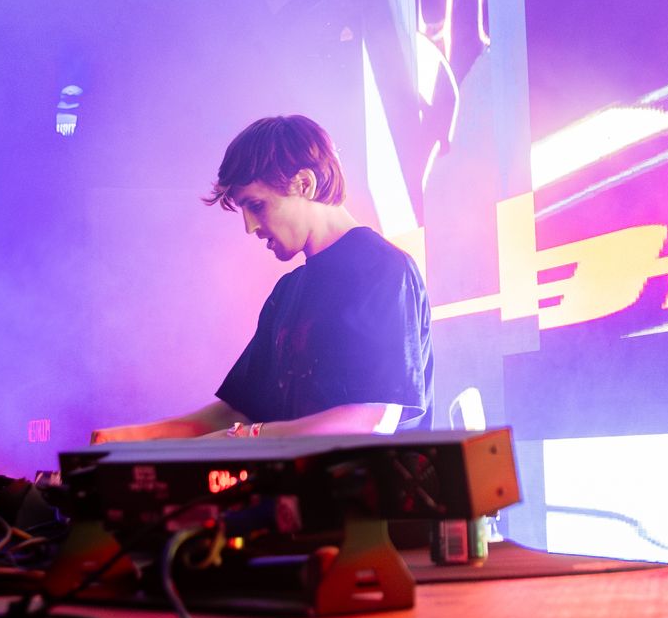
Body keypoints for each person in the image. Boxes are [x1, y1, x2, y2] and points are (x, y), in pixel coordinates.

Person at [90, 113, 431, 444]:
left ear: (305, 184)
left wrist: (241, 438)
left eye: (257, 205)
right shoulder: (288, 291)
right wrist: (128, 438)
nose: (249, 226)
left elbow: (370, 420)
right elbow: (238, 412)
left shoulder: (384, 270)